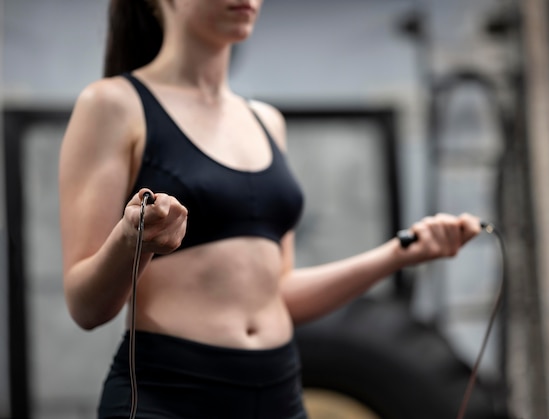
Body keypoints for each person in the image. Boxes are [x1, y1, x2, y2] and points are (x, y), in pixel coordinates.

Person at [58, 0, 482, 417]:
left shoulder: (266, 121)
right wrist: (132, 241)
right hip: (171, 393)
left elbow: (279, 294)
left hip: (277, 390)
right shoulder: (113, 105)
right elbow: (86, 307)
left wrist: (398, 254)